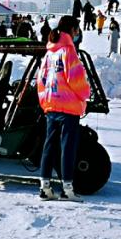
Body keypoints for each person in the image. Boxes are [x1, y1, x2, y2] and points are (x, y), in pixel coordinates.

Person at [37, 16, 91, 202]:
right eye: (77, 29)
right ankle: (67, 189)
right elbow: (76, 79)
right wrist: (85, 94)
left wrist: (44, 100)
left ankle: (45, 187)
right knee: (67, 147)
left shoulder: (50, 52)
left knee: (49, 145)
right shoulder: (69, 51)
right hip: (68, 107)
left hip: (51, 103)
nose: (78, 33)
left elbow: (41, 79)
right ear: (73, 30)